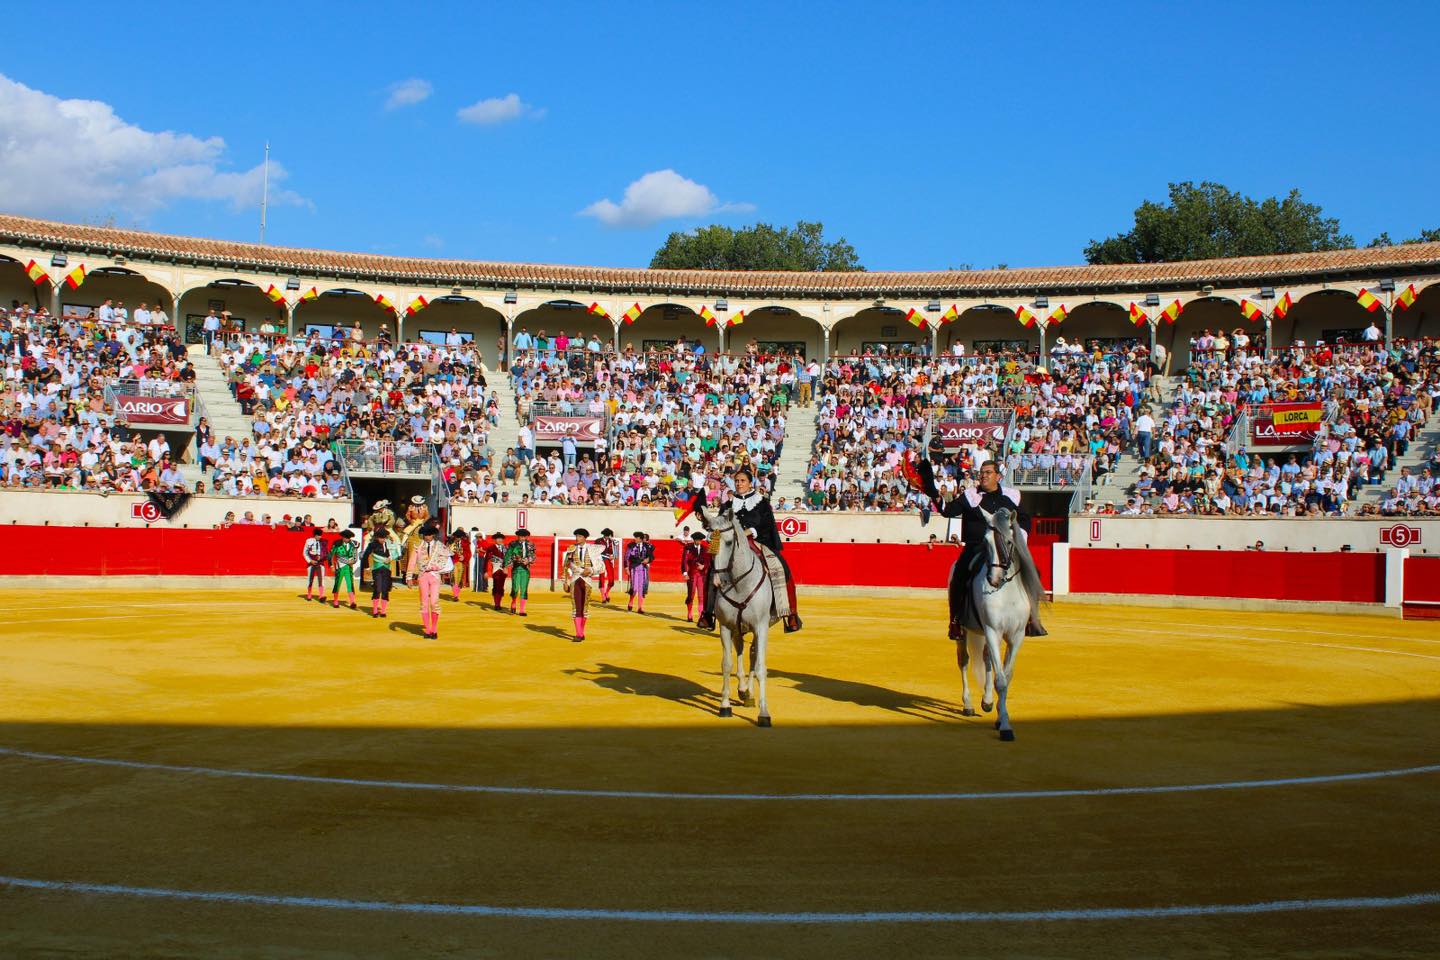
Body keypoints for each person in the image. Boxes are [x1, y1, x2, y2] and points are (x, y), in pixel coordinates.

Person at [919, 458, 1045, 642]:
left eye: (988, 473)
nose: (983, 476)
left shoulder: (1012, 495)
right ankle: (955, 621)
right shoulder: (970, 495)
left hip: (1005, 547)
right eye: (981, 473)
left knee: (1034, 571)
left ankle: (1032, 619)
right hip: (976, 546)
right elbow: (948, 510)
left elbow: (1025, 519)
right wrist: (933, 493)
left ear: (998, 476)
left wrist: (1020, 540)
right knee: (959, 575)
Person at [698, 467, 802, 632]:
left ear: (750, 483)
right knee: (712, 570)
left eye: (743, 481)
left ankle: (791, 614)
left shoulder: (762, 503)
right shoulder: (727, 504)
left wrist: (748, 532)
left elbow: (766, 525)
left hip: (758, 541)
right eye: (737, 481)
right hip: (730, 544)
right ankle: (708, 613)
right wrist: (712, 544)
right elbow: (719, 526)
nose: (739, 484)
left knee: (781, 567)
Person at [407, 524, 451, 639]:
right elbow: (412, 562)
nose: (427, 537)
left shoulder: (440, 546)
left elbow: (446, 560)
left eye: (429, 534)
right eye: (425, 535)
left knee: (434, 603)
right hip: (422, 576)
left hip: (435, 576)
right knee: (424, 603)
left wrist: (437, 568)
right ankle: (427, 630)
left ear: (433, 535)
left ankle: (434, 629)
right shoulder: (418, 546)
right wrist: (409, 577)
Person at [562, 528, 601, 641]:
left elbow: (601, 567)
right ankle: (579, 634)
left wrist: (591, 570)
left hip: (587, 580)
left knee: (584, 608)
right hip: (575, 580)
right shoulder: (571, 549)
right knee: (576, 607)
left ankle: (581, 632)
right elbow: (565, 566)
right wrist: (565, 581)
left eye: (579, 536)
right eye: (576, 536)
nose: (577, 538)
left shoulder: (592, 550)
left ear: (585, 538)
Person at [361, 527, 400, 618]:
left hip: (387, 569)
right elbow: (365, 555)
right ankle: (375, 610)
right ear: (377, 537)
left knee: (385, 589)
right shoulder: (372, 545)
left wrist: (390, 558)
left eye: (384, 537)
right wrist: (366, 567)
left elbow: (396, 554)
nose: (383, 539)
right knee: (378, 588)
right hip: (377, 569)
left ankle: (383, 611)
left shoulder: (389, 544)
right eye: (381, 538)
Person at [680, 530, 711, 623]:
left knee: (701, 596)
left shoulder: (705, 548)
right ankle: (689, 614)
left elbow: (708, 561)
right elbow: (684, 561)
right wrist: (685, 573)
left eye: (700, 540)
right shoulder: (688, 547)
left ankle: (700, 616)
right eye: (697, 540)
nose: (698, 541)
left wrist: (703, 566)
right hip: (692, 574)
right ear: (694, 540)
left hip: (701, 575)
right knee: (691, 595)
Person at [505, 528, 536, 615]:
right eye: (520, 536)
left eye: (524, 536)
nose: (522, 538)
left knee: (524, 588)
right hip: (516, 568)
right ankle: (514, 602)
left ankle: (522, 610)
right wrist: (506, 566)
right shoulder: (513, 544)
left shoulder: (530, 545)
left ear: (526, 537)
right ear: (518, 536)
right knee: (515, 588)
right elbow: (508, 555)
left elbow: (533, 556)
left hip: (525, 569)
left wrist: (528, 560)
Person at [328, 529, 359, 609]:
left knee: (350, 584)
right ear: (343, 537)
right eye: (346, 538)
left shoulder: (353, 544)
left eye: (349, 538)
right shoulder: (337, 544)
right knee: (337, 584)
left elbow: (355, 555)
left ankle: (352, 602)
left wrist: (354, 561)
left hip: (348, 568)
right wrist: (331, 565)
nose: (348, 539)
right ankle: (335, 601)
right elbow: (331, 555)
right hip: (339, 567)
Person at [624, 531, 654, 613]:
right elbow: (626, 557)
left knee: (641, 588)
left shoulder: (646, 546)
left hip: (643, 568)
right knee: (634, 588)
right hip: (634, 568)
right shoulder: (631, 546)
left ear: (640, 539)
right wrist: (626, 568)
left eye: (636, 538)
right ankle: (631, 601)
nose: (635, 539)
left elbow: (651, 556)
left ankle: (640, 607)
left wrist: (648, 559)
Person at [482, 533, 509, 611]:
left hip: (503, 570)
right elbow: (486, 560)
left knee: (501, 586)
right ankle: (497, 604)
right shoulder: (491, 548)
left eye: (501, 538)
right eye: (498, 539)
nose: (500, 540)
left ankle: (498, 603)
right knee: (496, 585)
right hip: (495, 570)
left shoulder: (505, 548)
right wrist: (485, 571)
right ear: (495, 540)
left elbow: (509, 559)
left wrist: (506, 567)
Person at [596, 528, 621, 602]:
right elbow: (594, 551)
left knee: (611, 579)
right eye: (605, 535)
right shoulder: (598, 541)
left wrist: (613, 556)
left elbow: (616, 554)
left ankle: (606, 593)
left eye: (608, 535)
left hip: (608, 560)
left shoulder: (613, 542)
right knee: (601, 578)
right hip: (600, 560)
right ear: (603, 535)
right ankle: (603, 596)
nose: (607, 537)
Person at [302, 527, 327, 601]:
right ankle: (309, 594)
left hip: (320, 562)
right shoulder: (309, 541)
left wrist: (321, 557)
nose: (320, 537)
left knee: (321, 579)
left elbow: (326, 553)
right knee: (310, 579)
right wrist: (310, 561)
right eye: (318, 535)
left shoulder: (323, 542)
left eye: (320, 535)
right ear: (315, 535)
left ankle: (321, 595)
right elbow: (305, 553)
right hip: (311, 562)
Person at [447, 531, 469, 601]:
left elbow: (468, 552)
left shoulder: (465, 543)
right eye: (457, 537)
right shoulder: (450, 543)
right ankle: (456, 595)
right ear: (455, 537)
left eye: (460, 537)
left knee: (459, 579)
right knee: (454, 577)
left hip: (461, 563)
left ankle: (456, 594)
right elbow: (447, 552)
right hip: (453, 562)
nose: (458, 538)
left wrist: (464, 556)